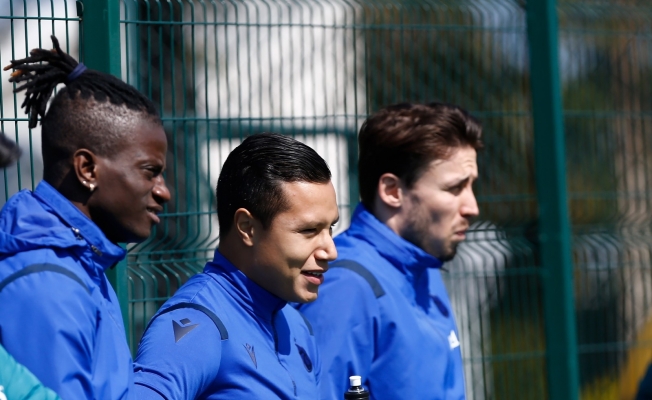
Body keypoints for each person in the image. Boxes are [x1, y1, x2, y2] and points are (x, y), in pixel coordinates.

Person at [0, 36, 170, 400]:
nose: (163, 191)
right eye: (150, 172)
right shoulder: (47, 286)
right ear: (87, 169)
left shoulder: (81, 263)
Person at [133, 133, 339, 399]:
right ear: (247, 227)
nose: (330, 251)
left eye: (330, 228)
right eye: (309, 230)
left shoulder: (296, 325)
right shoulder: (198, 324)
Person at [297, 102, 482, 399]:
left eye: (471, 186)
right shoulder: (346, 286)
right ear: (393, 191)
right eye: (454, 189)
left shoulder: (423, 265)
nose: (472, 207)